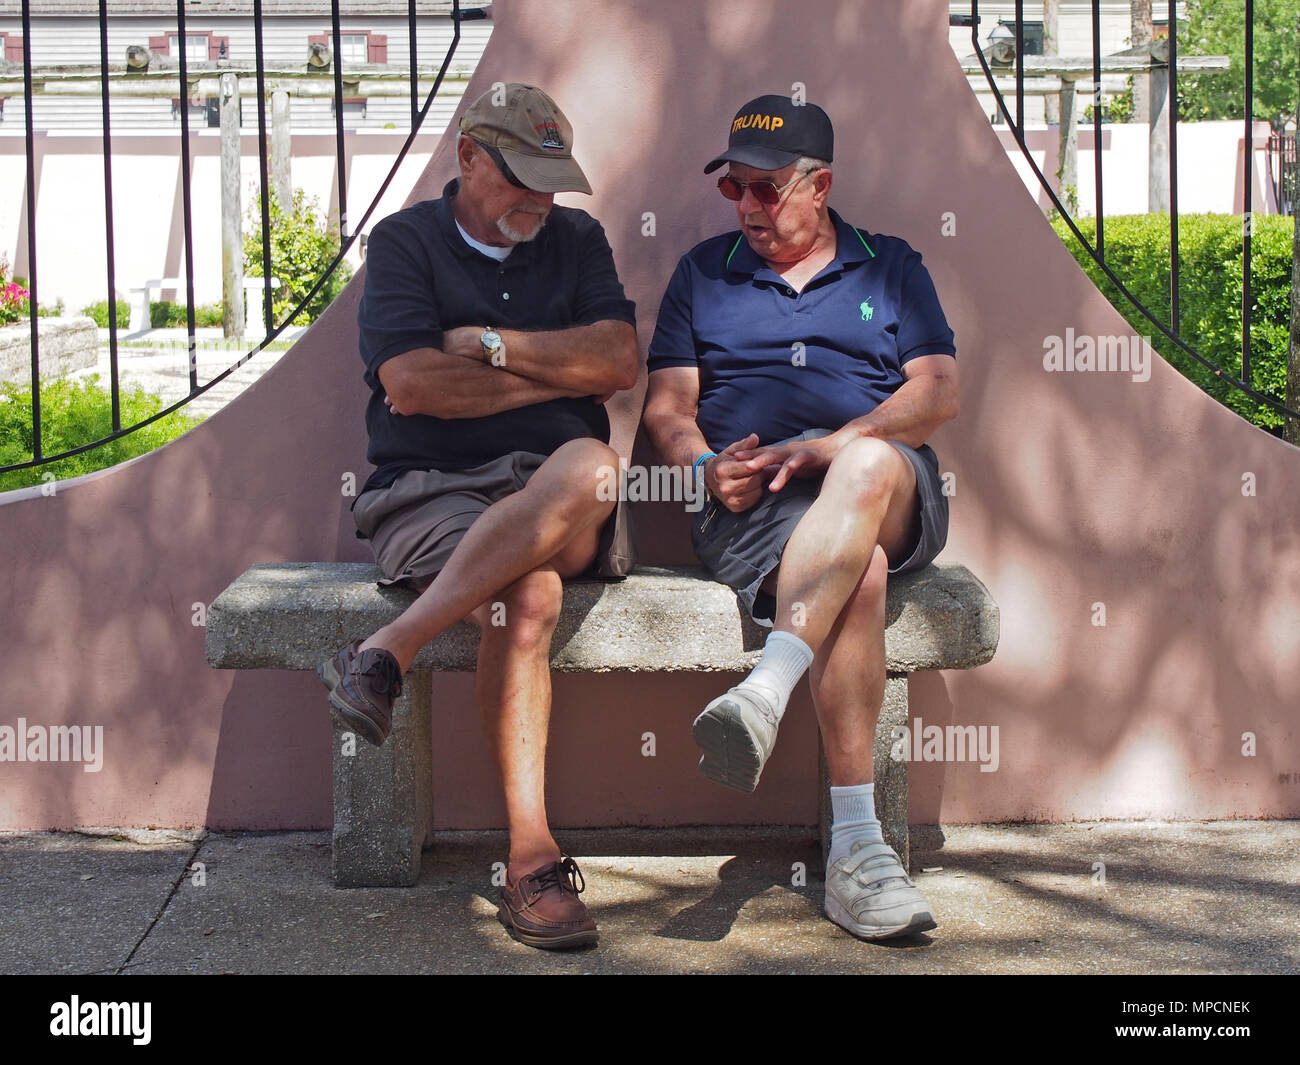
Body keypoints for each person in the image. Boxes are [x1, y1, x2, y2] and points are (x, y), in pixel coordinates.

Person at [317, 83, 638, 951]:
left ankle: (389, 649)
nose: (542, 198)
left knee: (597, 464)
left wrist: (490, 346)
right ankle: (532, 861)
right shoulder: (404, 242)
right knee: (526, 596)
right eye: (522, 176)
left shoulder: (575, 239)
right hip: (432, 488)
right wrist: (553, 373)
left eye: (553, 179)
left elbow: (616, 360)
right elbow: (414, 385)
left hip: (564, 483)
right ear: (468, 158)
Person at [643, 93, 959, 941]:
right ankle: (859, 856)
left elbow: (937, 390)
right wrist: (704, 469)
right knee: (863, 576)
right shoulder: (701, 275)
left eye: (766, 188)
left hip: (888, 485)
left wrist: (835, 444)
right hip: (756, 513)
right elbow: (668, 409)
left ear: (819, 185)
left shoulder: (890, 265)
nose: (747, 206)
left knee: (862, 464)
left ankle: (766, 686)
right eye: (733, 189)